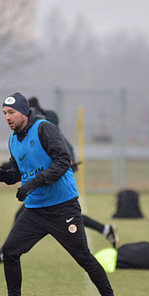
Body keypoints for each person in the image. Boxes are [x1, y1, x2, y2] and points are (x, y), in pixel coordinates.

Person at [0, 92, 123, 296]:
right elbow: (21, 172)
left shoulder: (44, 128)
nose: (8, 117)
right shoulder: (13, 140)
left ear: (23, 111)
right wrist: (6, 177)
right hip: (35, 210)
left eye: (11, 112)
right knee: (10, 252)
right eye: (4, 114)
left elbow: (63, 162)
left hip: (63, 208)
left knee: (83, 257)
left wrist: (32, 184)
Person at [27, 96, 119, 248]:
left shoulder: (46, 120)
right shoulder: (34, 124)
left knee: (44, 210)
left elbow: (54, 145)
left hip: (61, 166)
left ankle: (8, 251)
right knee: (59, 212)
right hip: (56, 167)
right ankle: (105, 229)